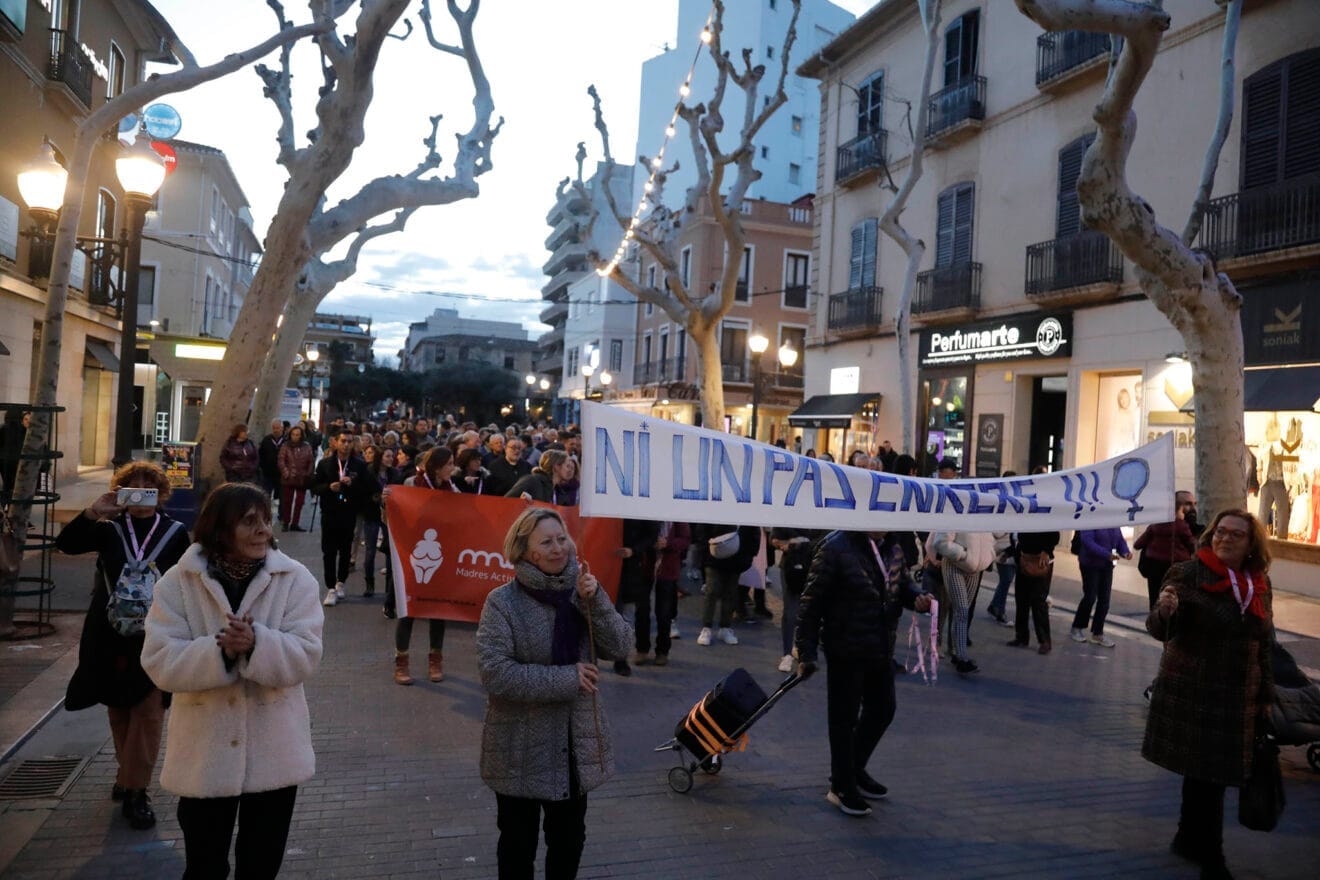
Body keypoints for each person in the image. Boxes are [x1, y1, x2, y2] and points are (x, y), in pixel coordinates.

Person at [141, 483, 323, 879]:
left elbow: (306, 654)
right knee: (204, 865)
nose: (263, 531)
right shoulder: (177, 583)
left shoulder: (296, 580)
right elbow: (159, 660)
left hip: (275, 752)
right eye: (249, 522)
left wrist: (258, 644)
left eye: (266, 520)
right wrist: (221, 651)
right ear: (220, 529)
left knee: (261, 865)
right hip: (205, 754)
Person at [475, 507, 632, 877]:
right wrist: (567, 678)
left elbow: (621, 646)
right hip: (519, 747)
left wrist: (596, 602)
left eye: (562, 539)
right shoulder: (502, 602)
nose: (558, 548)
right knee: (517, 847)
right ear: (526, 551)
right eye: (546, 542)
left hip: (573, 745)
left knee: (568, 844)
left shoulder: (584, 589)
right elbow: (496, 674)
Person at [56, 461, 191, 830]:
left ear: (161, 492)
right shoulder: (108, 529)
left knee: (148, 712)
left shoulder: (176, 532)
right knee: (118, 709)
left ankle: (136, 791)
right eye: (133, 486)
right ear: (121, 491)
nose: (142, 492)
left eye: (150, 486)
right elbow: (65, 545)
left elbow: (188, 583)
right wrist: (92, 512)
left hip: (156, 635)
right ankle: (127, 775)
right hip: (108, 632)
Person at [1144, 509, 1275, 879]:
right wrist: (1164, 612)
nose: (1225, 539)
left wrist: (1266, 693)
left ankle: (1187, 838)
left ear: (1251, 545)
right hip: (1195, 692)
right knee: (1211, 778)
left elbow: (1264, 641)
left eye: (1236, 534)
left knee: (1202, 775)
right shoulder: (1187, 573)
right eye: (1220, 532)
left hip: (1237, 697)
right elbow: (1161, 630)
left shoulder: (1258, 582)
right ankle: (1212, 861)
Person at [795, 530, 932, 817]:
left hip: (880, 645)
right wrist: (806, 652)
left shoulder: (892, 546)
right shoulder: (835, 547)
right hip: (845, 645)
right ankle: (841, 786)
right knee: (843, 719)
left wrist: (918, 597)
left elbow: (900, 584)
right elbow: (811, 602)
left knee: (883, 709)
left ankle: (853, 769)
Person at [392, 447, 458, 685]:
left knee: (437, 609)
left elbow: (468, 513)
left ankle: (435, 660)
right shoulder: (413, 483)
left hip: (440, 555)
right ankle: (401, 662)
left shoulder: (453, 489)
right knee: (409, 608)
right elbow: (398, 510)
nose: (453, 468)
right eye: (450, 463)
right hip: (413, 553)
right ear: (438, 466)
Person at [309, 429, 370, 606]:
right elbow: (314, 487)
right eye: (343, 441)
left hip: (349, 512)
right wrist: (329, 487)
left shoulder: (359, 465)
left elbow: (366, 488)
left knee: (345, 550)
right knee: (328, 551)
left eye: (350, 441)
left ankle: (341, 581)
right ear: (335, 442)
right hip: (329, 512)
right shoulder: (325, 464)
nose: (346, 444)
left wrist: (354, 484)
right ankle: (330, 587)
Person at [932, 528, 996, 674]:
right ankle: (961, 657)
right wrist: (963, 555)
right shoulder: (957, 511)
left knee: (962, 612)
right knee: (962, 610)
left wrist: (987, 556)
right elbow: (940, 542)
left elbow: (997, 536)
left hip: (974, 568)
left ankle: (957, 652)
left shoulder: (984, 513)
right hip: (955, 565)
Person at [691, 522, 761, 647]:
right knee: (712, 591)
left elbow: (754, 531)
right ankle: (706, 628)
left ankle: (725, 627)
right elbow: (702, 528)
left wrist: (750, 554)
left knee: (730, 593)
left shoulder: (748, 511)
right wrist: (705, 550)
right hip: (714, 553)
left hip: (738, 557)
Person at [1134, 490, 1199, 609]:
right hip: (1171, 571)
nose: (1193, 508)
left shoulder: (1197, 528)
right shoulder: (1181, 527)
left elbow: (1138, 544)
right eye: (1188, 504)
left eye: (1195, 504)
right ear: (1177, 508)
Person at [1069, 526, 1132, 648]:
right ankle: (1077, 627)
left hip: (1107, 565)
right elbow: (1088, 542)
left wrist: (1125, 552)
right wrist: (1106, 554)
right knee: (1090, 597)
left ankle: (1098, 633)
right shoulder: (1092, 519)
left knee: (1104, 600)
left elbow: (1119, 540)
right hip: (1090, 564)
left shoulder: (1114, 522)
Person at [615, 518, 661, 675]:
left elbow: (652, 534)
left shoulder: (639, 508)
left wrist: (633, 550)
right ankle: (591, 659)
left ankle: (621, 660)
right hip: (605, 562)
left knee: (625, 618)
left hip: (631, 569)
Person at [771, 526, 816, 673]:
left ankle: (800, 648)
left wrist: (801, 542)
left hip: (814, 564)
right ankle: (787, 653)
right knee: (790, 610)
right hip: (791, 564)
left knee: (809, 610)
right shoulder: (788, 515)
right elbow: (775, 539)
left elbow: (825, 538)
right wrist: (786, 543)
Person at [1008, 528, 1060, 654]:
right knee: (1021, 599)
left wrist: (1047, 550)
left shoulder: (1044, 513)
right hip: (1024, 558)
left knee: (1039, 601)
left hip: (1041, 561)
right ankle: (1021, 636)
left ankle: (1044, 640)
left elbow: (1054, 533)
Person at [647, 521, 690, 667]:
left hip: (668, 569)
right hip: (644, 565)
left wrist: (668, 543)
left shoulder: (677, 515)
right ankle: (642, 648)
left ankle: (662, 651)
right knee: (642, 609)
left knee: (664, 613)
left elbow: (685, 540)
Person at [277, 425, 316, 531]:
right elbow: (281, 460)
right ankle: (286, 522)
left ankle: (295, 523)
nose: (295, 436)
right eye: (293, 434)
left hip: (302, 478)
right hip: (289, 477)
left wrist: (308, 473)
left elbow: (311, 461)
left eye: (297, 434)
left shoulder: (306, 446)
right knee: (287, 501)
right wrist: (286, 473)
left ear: (301, 435)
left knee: (299, 502)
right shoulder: (285, 446)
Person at [506, 449, 574, 504]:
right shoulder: (531, 481)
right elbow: (505, 502)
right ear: (556, 466)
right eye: (568, 466)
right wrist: (522, 503)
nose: (571, 470)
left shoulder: (558, 491)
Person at [257, 419, 285, 501]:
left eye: (277, 428)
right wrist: (262, 467)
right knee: (265, 496)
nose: (275, 430)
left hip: (281, 474)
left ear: (282, 428)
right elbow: (261, 454)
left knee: (281, 498)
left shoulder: (286, 440)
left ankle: (281, 513)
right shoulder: (266, 439)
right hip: (267, 474)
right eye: (274, 428)